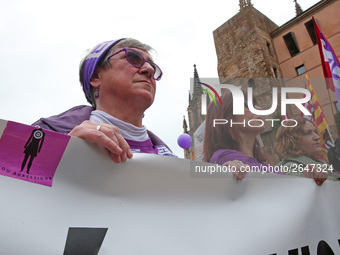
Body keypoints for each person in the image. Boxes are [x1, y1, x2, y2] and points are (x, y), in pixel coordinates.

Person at [33, 38, 175, 163]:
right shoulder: (44, 133)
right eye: (133, 58)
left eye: (153, 66)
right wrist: (59, 152)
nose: (149, 69)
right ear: (96, 77)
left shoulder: (173, 163)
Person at [203, 89, 270, 180]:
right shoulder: (225, 158)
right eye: (248, 105)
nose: (260, 109)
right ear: (226, 117)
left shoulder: (260, 163)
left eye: (256, 105)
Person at [275, 117, 337, 185]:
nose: (317, 137)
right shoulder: (291, 168)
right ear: (292, 140)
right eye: (308, 133)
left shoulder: (315, 162)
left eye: (315, 132)